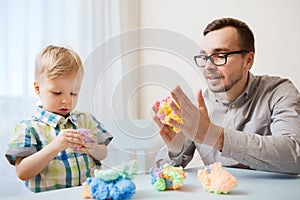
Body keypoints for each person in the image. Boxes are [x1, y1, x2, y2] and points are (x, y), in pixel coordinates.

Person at [153, 17, 300, 174]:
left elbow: (295, 155)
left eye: (220, 55)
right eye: (205, 57)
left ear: (248, 60)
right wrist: (175, 151)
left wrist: (215, 136)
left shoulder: (279, 92)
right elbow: (161, 173)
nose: (208, 67)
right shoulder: (199, 107)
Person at [5, 45, 113, 192]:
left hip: (86, 194)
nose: (67, 101)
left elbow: (103, 153)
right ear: (38, 89)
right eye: (57, 93)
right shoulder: (29, 128)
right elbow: (22, 172)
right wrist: (55, 146)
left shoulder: (86, 120)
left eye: (74, 93)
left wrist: (93, 148)